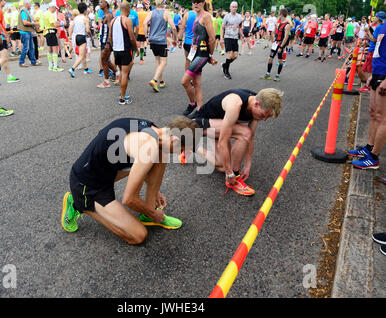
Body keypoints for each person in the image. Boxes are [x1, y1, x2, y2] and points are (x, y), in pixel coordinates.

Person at [61, 116, 199, 244]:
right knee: (138, 236)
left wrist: (154, 191)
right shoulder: (149, 146)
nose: (181, 154)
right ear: (174, 140)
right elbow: (129, 199)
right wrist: (155, 214)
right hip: (86, 185)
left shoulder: (154, 130)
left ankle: (148, 212)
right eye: (181, 150)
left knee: (161, 154)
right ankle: (77, 203)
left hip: (106, 172)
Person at [188, 88, 283, 195]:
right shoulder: (235, 104)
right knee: (244, 133)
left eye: (267, 117)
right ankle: (235, 178)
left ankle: (189, 146)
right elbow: (223, 142)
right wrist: (230, 174)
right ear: (256, 104)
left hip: (216, 124)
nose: (264, 119)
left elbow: (251, 138)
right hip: (197, 123)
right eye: (263, 115)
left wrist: (248, 165)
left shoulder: (260, 103)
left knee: (222, 165)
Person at [349, 14, 386, 170]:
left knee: (383, 118)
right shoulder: (382, 25)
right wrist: (372, 74)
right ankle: (369, 148)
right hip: (377, 72)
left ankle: (374, 158)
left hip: (384, 74)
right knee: (373, 113)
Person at [180, 0, 216, 116]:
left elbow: (212, 38)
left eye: (198, 2)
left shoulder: (206, 16)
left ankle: (192, 103)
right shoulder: (197, 15)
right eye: (193, 2)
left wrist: (210, 55)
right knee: (196, 84)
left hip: (202, 55)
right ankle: (200, 110)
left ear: (203, 3)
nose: (195, 4)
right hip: (196, 53)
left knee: (185, 81)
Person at [144, 0, 177, 92]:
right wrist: (175, 39)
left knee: (158, 62)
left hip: (153, 40)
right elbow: (173, 27)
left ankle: (161, 81)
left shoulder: (151, 12)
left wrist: (147, 37)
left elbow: (144, 23)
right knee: (164, 62)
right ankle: (154, 80)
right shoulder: (166, 13)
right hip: (161, 41)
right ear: (163, 3)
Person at [109, 1, 137, 104]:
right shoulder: (127, 20)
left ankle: (123, 94)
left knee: (122, 72)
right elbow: (132, 37)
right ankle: (122, 98)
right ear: (128, 9)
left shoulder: (113, 20)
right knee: (125, 73)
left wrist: (114, 47)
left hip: (116, 50)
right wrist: (136, 49)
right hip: (125, 50)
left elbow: (110, 37)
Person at [0, 0, 20, 83]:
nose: (6, 2)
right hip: (0, 36)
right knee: (4, 58)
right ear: (0, 1)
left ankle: (9, 76)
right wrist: (4, 33)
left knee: (5, 58)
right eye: (4, 1)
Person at [261, 9, 291, 82]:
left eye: (278, 14)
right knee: (270, 58)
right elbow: (275, 32)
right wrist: (274, 39)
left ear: (281, 14)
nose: (278, 15)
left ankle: (277, 75)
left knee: (280, 60)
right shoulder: (279, 23)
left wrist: (281, 47)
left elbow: (286, 37)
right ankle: (268, 74)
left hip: (281, 44)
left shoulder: (287, 25)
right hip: (276, 43)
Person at [360, 12, 385, 92]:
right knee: (367, 68)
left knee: (368, 69)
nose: (373, 18)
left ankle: (368, 85)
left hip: (373, 50)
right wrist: (368, 36)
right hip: (373, 49)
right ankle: (368, 84)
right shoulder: (381, 27)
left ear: (378, 18)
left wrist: (368, 31)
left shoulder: (379, 27)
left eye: (375, 17)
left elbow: (374, 39)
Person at [97, 0, 118, 88]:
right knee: (106, 61)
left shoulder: (108, 15)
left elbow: (110, 28)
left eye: (101, 2)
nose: (99, 3)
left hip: (106, 42)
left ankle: (106, 82)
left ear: (106, 4)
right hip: (104, 41)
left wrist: (108, 42)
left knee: (104, 60)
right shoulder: (105, 14)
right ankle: (118, 75)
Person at [67, 2, 92, 78]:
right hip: (82, 37)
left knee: (83, 54)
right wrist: (91, 36)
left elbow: (70, 27)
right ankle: (72, 68)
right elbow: (87, 30)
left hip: (76, 37)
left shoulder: (76, 18)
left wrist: (70, 36)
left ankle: (86, 69)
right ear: (85, 10)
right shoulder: (85, 19)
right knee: (81, 56)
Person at [220, 1, 242, 80]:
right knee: (229, 54)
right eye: (233, 7)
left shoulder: (239, 17)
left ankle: (224, 65)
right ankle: (226, 72)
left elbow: (239, 27)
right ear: (230, 7)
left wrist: (242, 35)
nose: (234, 8)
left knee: (235, 56)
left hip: (235, 38)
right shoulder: (227, 16)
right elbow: (222, 28)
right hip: (228, 37)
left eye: (235, 7)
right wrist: (221, 38)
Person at [17, 0, 40, 67]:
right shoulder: (23, 11)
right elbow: (25, 22)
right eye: (30, 4)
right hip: (24, 32)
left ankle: (33, 61)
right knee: (26, 48)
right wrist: (34, 23)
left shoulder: (26, 11)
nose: (31, 5)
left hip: (28, 31)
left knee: (31, 47)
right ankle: (21, 62)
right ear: (27, 4)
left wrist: (34, 24)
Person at [41, 1, 64, 71]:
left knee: (49, 49)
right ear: (52, 7)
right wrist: (62, 24)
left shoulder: (44, 13)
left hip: (47, 32)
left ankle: (50, 66)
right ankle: (55, 66)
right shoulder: (50, 14)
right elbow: (55, 24)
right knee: (55, 49)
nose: (56, 10)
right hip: (51, 32)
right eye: (55, 8)